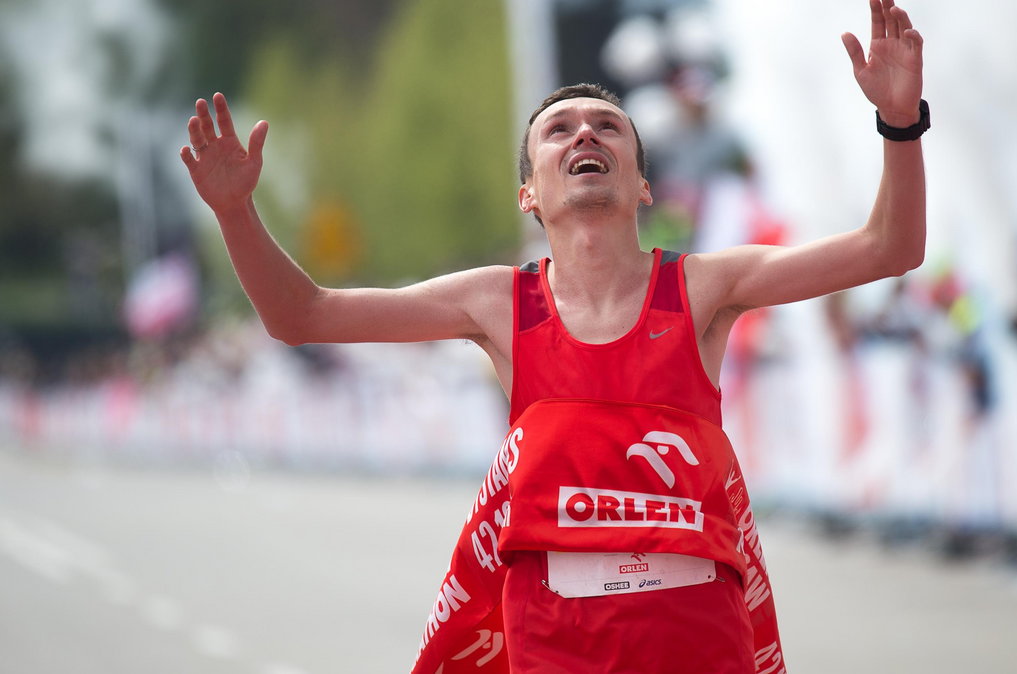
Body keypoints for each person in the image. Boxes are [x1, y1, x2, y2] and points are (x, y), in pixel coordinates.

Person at [181, 1, 926, 671]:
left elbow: (888, 249)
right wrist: (236, 215)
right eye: (558, 130)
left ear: (641, 184)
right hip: (555, 633)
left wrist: (900, 123)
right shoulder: (497, 303)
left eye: (607, 127)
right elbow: (301, 316)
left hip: (694, 628)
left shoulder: (703, 286)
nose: (584, 134)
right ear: (529, 193)